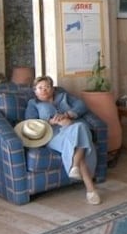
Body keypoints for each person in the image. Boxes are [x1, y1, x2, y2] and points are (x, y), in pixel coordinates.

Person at [24, 75, 101, 205]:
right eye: (40, 88)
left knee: (80, 128)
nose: (44, 90)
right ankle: (89, 186)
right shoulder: (33, 104)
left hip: (73, 127)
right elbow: (30, 122)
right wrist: (50, 122)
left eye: (47, 87)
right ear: (35, 91)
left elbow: (81, 105)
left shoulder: (64, 96)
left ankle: (77, 170)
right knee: (80, 137)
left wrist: (67, 115)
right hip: (53, 135)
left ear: (53, 89)